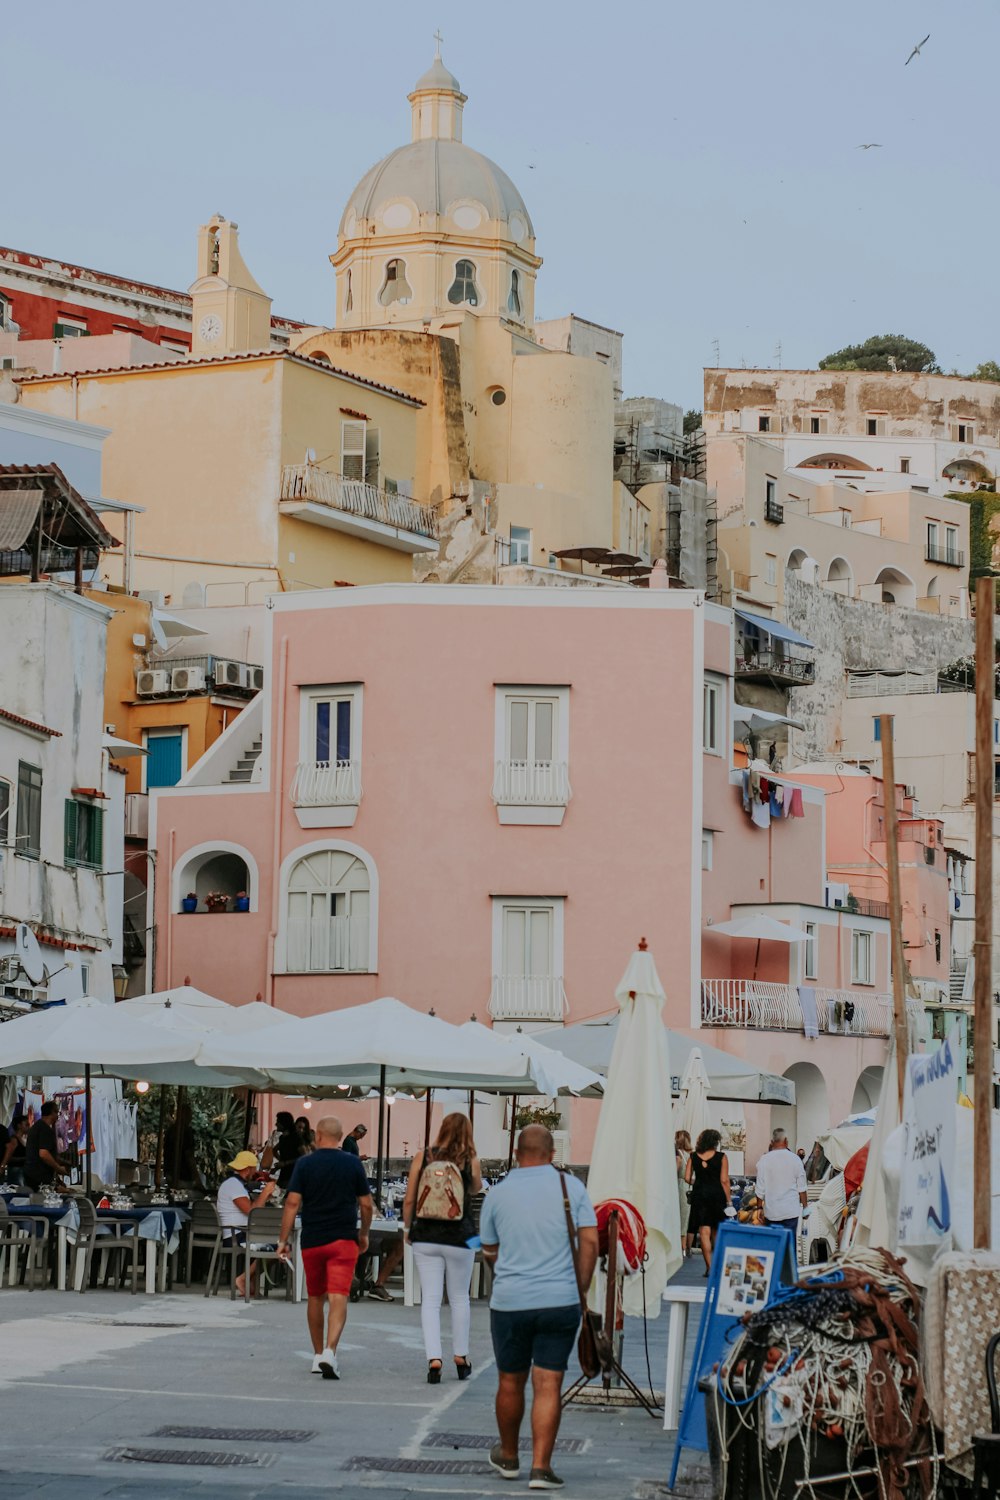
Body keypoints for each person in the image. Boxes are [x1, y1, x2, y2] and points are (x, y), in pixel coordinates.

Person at [480, 1125, 598, 1491]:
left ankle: (510, 1456)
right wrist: (579, 1285)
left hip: (510, 1301)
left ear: (517, 1154)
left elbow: (489, 1249)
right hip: (560, 1300)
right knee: (548, 1383)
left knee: (510, 1380)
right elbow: (591, 1242)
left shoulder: (497, 1194)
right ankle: (541, 1468)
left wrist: (506, 1273)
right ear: (551, 1154)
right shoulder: (572, 1188)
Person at [277, 1115, 372, 1380]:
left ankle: (318, 1355)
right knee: (338, 1296)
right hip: (343, 1239)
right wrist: (363, 1233)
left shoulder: (305, 1164)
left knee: (316, 1296)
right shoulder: (353, 1164)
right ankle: (331, 1351)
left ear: (317, 1135)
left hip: (313, 1240)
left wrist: (283, 1240)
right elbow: (366, 1204)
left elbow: (292, 1204)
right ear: (341, 1137)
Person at [402, 1112, 482, 1382]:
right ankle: (461, 1355)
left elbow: (410, 1199)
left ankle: (434, 1359)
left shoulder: (423, 1156)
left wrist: (407, 1228)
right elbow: (475, 1190)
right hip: (462, 1236)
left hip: (425, 1235)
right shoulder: (470, 1159)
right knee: (460, 1297)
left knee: (431, 1299)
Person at [217, 1150, 277, 1298]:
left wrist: (265, 1198)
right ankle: (244, 1278)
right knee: (279, 1247)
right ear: (249, 1169)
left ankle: (248, 1279)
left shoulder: (237, 1184)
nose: (255, 1173)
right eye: (254, 1169)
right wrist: (264, 1193)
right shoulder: (233, 1185)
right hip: (236, 1235)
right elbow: (252, 1213)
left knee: (279, 1246)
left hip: (241, 1232)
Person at [685, 1127, 731, 1274]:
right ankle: (717, 1266)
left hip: (700, 1195)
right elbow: (724, 1180)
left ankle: (709, 1267)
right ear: (715, 1142)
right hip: (717, 1196)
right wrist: (729, 1201)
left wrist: (698, 1183)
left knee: (703, 1231)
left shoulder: (693, 1156)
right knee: (716, 1232)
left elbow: (687, 1178)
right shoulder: (722, 1157)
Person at [755, 1128, 808, 1236]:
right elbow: (802, 1188)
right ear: (786, 1141)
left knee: (774, 1247)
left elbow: (760, 1188)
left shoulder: (764, 1160)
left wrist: (759, 1208)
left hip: (771, 1213)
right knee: (789, 1247)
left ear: (772, 1142)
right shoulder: (795, 1159)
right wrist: (805, 1208)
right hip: (790, 1213)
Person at [24, 1101, 71, 1191]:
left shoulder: (36, 1127)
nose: (58, 1115)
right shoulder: (45, 1129)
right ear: (52, 1112)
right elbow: (44, 1154)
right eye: (56, 1112)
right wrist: (58, 1168)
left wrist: (60, 1162)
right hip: (39, 1174)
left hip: (31, 1172)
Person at [675, 1129, 693, 1257]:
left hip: (680, 1186)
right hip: (690, 1187)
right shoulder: (691, 1155)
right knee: (686, 1218)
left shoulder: (679, 1155)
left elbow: (675, 1170)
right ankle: (687, 1248)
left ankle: (681, 1247)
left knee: (680, 1217)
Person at [2, 1116, 28, 1184]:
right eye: (26, 1124)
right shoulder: (14, 1140)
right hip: (16, 1170)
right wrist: (24, 1158)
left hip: (22, 1169)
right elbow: (9, 1157)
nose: (28, 1127)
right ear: (19, 1126)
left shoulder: (22, 1139)